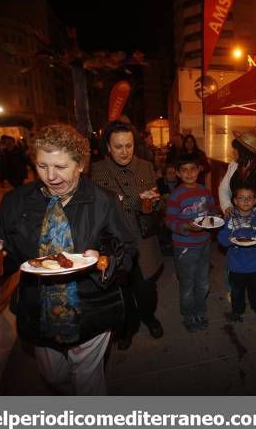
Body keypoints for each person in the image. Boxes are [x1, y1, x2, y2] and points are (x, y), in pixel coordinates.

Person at [0, 123, 136, 395]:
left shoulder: (103, 200)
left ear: (80, 165)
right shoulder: (15, 202)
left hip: (92, 307)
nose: (51, 176)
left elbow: (127, 248)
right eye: (42, 166)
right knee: (55, 377)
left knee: (87, 382)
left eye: (60, 167)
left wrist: (104, 261)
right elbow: (7, 251)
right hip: (39, 310)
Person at [91, 121, 165, 349]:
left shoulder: (145, 166)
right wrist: (132, 201)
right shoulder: (96, 170)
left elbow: (154, 203)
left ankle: (149, 317)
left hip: (143, 240)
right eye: (119, 146)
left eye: (129, 146)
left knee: (146, 289)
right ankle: (126, 328)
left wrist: (154, 202)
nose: (124, 152)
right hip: (114, 244)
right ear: (108, 147)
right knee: (122, 291)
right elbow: (99, 208)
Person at [166, 153, 218, 332]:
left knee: (203, 281)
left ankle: (200, 310)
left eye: (193, 169)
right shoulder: (176, 196)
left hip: (204, 243)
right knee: (187, 283)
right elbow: (170, 221)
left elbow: (211, 208)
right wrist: (187, 226)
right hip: (184, 247)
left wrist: (216, 217)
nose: (189, 173)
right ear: (178, 173)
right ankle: (189, 314)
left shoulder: (204, 190)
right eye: (184, 170)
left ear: (199, 170)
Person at [217, 184, 256, 324]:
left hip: (255, 265)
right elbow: (221, 238)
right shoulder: (230, 219)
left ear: (254, 201)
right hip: (235, 265)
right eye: (241, 198)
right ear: (235, 201)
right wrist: (228, 240)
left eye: (249, 198)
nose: (245, 201)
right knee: (236, 292)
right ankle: (237, 310)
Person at [156, 162, 180, 254]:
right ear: (165, 175)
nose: (173, 175)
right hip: (164, 209)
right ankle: (167, 244)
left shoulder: (180, 182)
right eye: (170, 173)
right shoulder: (160, 183)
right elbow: (164, 198)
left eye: (174, 173)